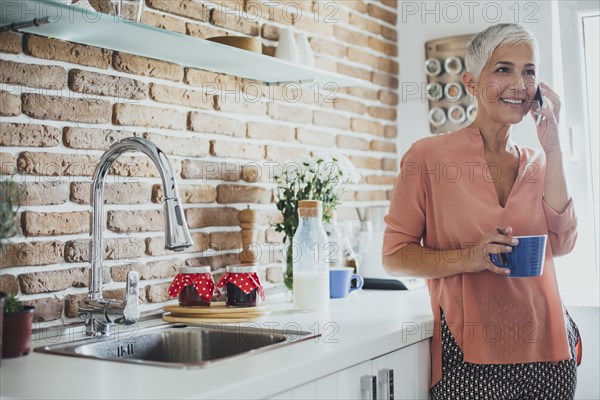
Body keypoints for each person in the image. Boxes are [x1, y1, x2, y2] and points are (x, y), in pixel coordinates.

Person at [382, 23, 582, 400]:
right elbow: (395, 256)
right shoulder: (427, 157)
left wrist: (554, 150)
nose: (520, 83)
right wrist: (470, 257)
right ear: (472, 82)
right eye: (503, 69)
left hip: (549, 352)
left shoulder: (541, 163)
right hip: (470, 357)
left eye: (530, 71)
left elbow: (563, 243)